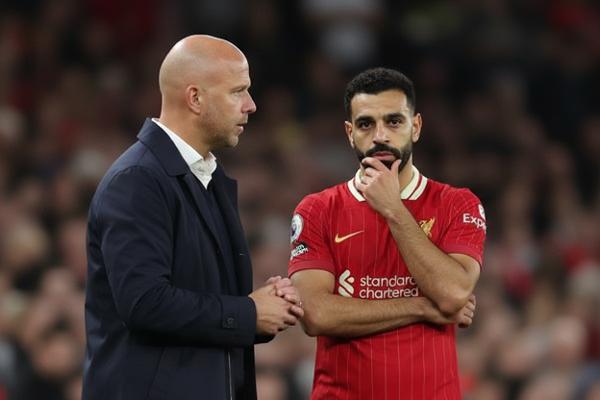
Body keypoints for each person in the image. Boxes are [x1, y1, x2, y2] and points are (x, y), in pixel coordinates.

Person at [83, 35, 303, 400]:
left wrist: (263, 308)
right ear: (195, 98)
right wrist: (248, 313)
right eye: (238, 91)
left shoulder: (206, 176)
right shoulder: (137, 180)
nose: (251, 105)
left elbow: (200, 299)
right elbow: (144, 303)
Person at [288, 68, 486, 399]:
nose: (380, 135)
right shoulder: (317, 209)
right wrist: (422, 307)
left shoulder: (457, 203)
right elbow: (315, 314)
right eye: (366, 124)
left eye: (394, 121)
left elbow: (452, 294)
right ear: (350, 133)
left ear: (416, 127)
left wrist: (394, 209)